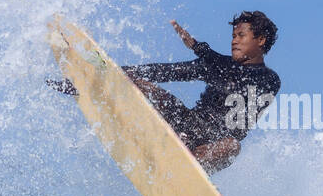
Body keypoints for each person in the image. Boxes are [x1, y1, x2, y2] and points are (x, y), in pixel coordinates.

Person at [50, 11, 280, 174]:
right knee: (142, 85)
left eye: (241, 36)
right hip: (188, 124)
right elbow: (162, 72)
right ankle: (92, 84)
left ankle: (185, 168)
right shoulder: (216, 66)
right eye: (233, 36)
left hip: (213, 146)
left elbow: (244, 81)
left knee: (233, 147)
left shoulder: (269, 80)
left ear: (260, 40)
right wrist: (103, 76)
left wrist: (206, 52)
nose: (234, 41)